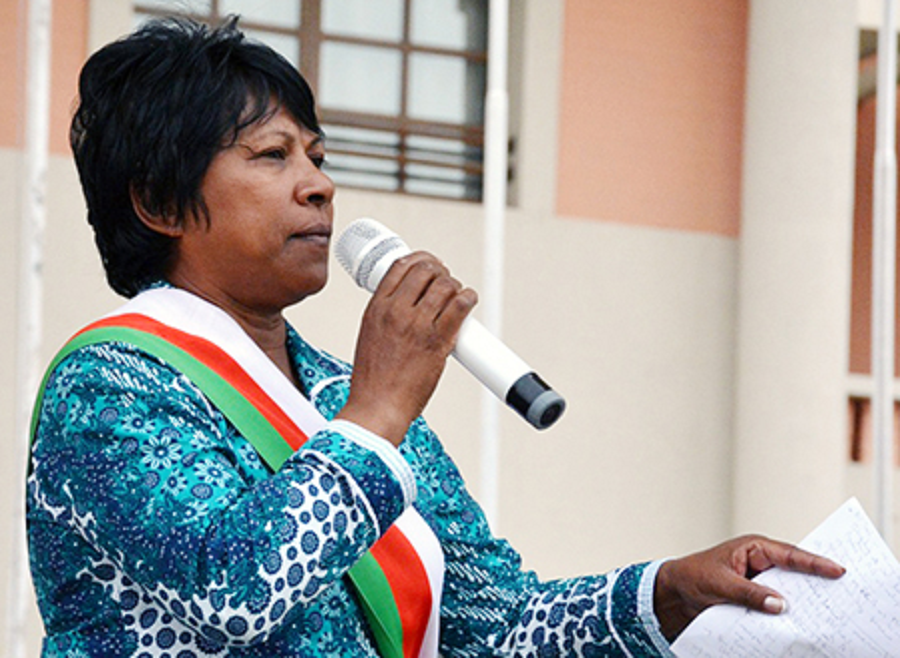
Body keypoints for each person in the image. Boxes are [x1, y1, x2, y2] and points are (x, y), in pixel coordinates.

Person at [26, 16, 844, 658]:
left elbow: (498, 629)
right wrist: (378, 413)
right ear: (159, 204)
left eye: (317, 155)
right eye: (272, 155)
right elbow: (234, 591)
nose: (319, 185)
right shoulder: (110, 385)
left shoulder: (346, 394)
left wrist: (669, 594)